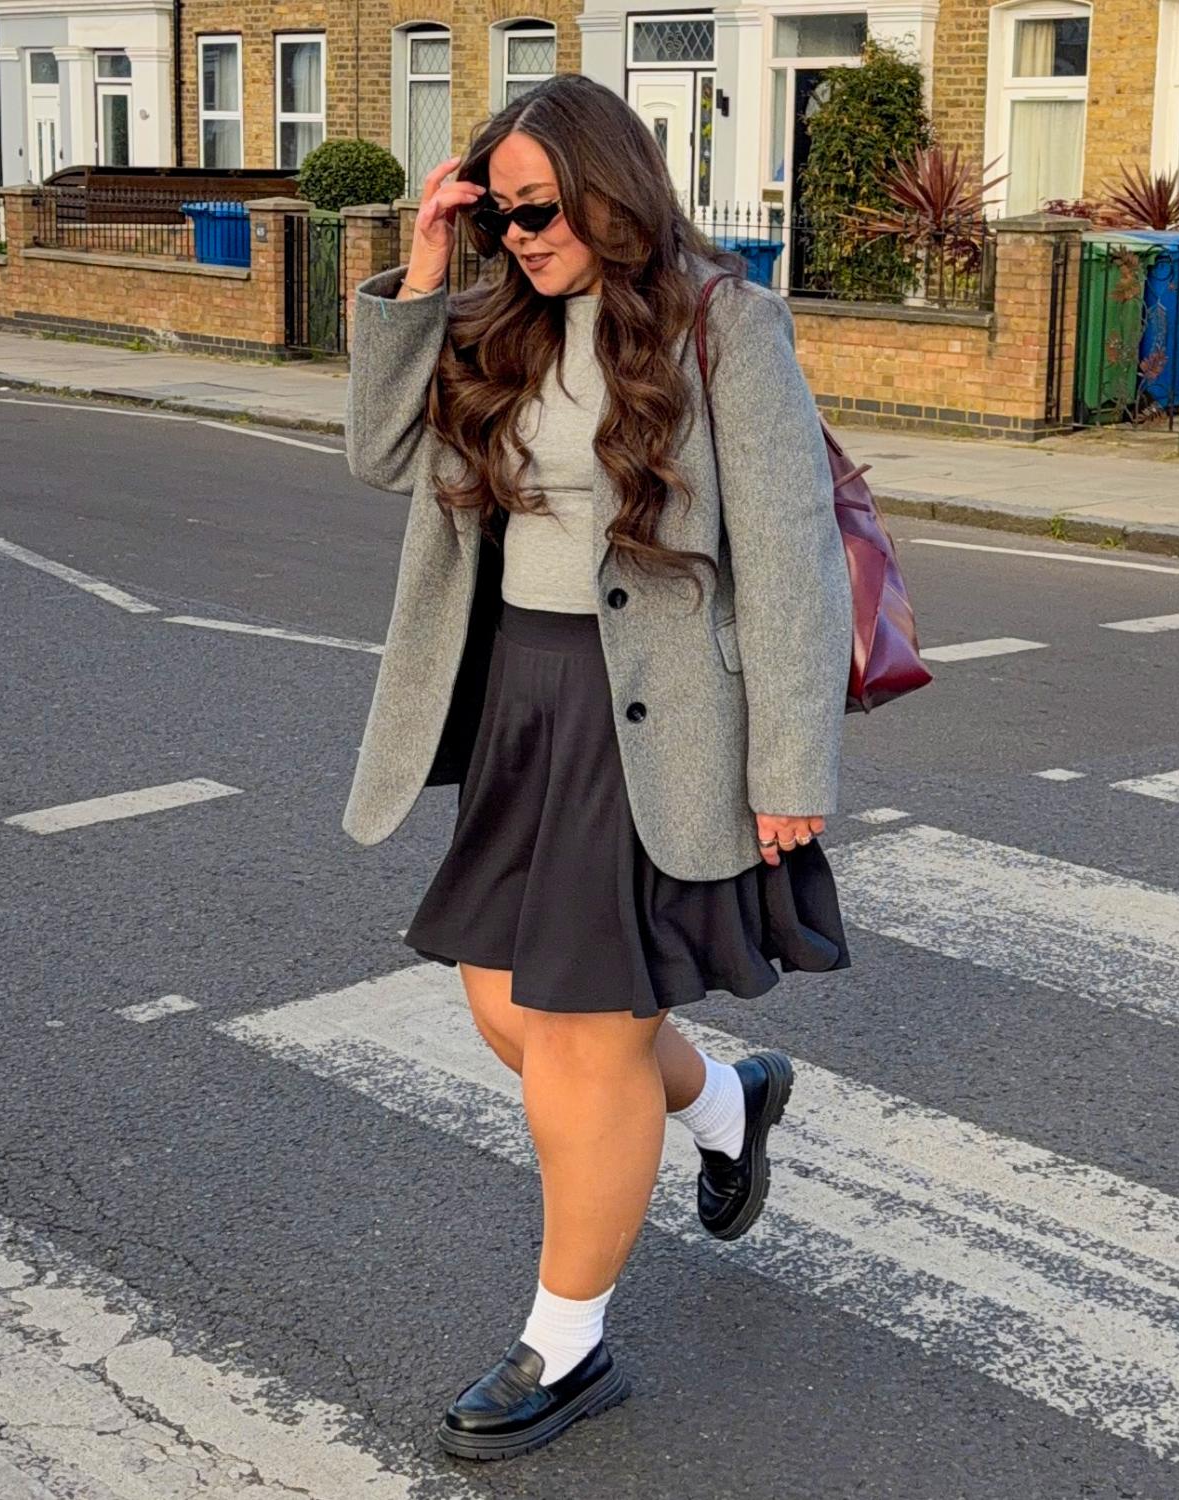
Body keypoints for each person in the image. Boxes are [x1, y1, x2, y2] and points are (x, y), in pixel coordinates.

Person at [342, 72, 853, 1461]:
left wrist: (790, 759)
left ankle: (566, 1344)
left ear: (609, 187)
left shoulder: (722, 327)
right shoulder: (492, 317)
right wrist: (425, 265)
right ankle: (727, 1104)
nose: (523, 233)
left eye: (540, 207)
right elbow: (375, 453)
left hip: (660, 721)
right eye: (501, 211)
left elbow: (798, 556)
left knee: (579, 1041)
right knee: (510, 1012)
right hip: (525, 703)